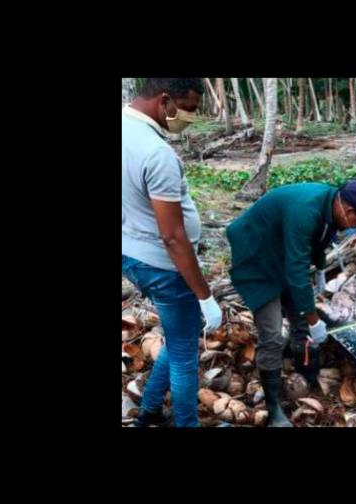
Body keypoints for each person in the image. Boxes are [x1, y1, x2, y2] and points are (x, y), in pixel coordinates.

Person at [226, 180, 356, 426]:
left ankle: (306, 376)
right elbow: (296, 273)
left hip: (282, 251)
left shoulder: (332, 204)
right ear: (349, 211)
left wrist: (320, 268)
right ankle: (273, 408)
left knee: (301, 317)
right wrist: (314, 320)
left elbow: (321, 237)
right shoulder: (305, 211)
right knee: (272, 335)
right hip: (256, 255)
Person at [122, 78, 223, 427]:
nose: (190, 118)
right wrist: (205, 295)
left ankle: (149, 411)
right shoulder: (156, 153)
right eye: (189, 108)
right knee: (184, 354)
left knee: (180, 336)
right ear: (165, 100)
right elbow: (173, 236)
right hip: (162, 263)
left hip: (132, 255)